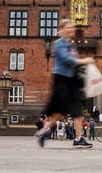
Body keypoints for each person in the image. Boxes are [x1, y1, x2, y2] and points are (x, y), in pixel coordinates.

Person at [35, 19, 95, 149]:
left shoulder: (71, 44)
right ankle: (45, 131)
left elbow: (74, 61)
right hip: (62, 79)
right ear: (62, 29)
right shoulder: (59, 43)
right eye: (68, 27)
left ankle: (77, 138)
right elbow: (66, 59)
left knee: (75, 109)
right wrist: (84, 61)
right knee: (59, 112)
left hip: (71, 80)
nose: (71, 29)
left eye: (72, 27)